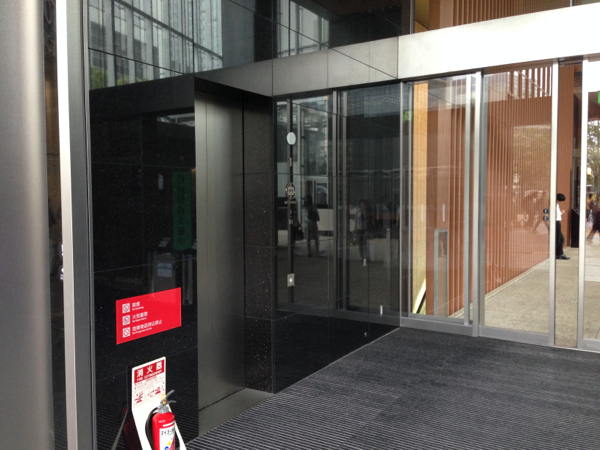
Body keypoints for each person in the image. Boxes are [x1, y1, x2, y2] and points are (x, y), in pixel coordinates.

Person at [556, 193, 569, 260]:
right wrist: (562, 212)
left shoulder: (556, 205)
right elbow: (557, 213)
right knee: (559, 239)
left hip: (557, 222)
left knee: (561, 239)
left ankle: (559, 253)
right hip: (556, 222)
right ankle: (559, 253)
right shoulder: (555, 205)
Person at [355, 199, 368, 266]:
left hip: (365, 229)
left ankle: (365, 257)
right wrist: (355, 228)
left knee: (364, 243)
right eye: (361, 204)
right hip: (359, 229)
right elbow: (356, 220)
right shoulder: (358, 212)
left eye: (363, 204)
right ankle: (362, 256)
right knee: (360, 244)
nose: (362, 206)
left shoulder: (366, 212)